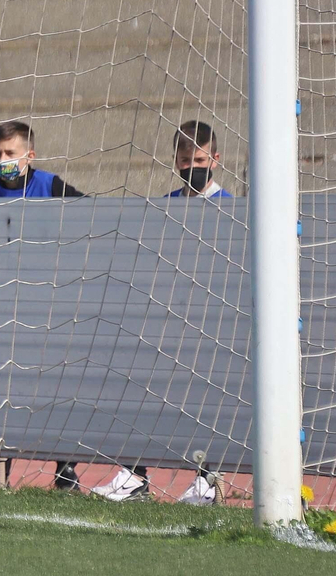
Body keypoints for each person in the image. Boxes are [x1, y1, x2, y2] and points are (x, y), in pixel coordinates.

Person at [92, 120, 232, 504]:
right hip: (167, 319)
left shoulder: (232, 209)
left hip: (211, 323)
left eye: (200, 159)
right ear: (176, 162)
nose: (193, 167)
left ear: (216, 160)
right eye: (185, 160)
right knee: (142, 389)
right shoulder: (165, 207)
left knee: (206, 398)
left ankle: (207, 480)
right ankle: (135, 475)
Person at [0, 120, 83, 491]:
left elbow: (89, 216)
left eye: (10, 154)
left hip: (44, 300)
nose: (2, 160)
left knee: (51, 385)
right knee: (0, 386)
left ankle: (65, 471)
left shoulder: (50, 185)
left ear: (28, 156)